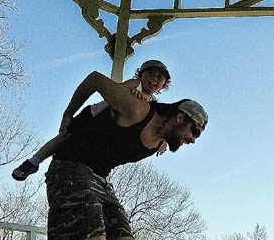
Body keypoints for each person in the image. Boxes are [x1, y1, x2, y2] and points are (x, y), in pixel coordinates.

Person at [12, 70, 207, 240]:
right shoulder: (137, 108)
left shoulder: (161, 139)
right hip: (70, 165)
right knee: (94, 237)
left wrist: (166, 141)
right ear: (179, 117)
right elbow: (93, 79)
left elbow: (162, 137)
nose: (193, 139)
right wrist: (68, 115)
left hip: (99, 178)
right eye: (193, 131)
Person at [11, 59, 172, 181]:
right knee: (64, 136)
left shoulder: (154, 104)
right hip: (95, 115)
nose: (154, 79)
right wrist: (131, 92)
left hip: (106, 130)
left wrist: (164, 141)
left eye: (159, 77)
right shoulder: (135, 84)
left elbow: (157, 124)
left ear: (163, 85)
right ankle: (33, 161)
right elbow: (118, 90)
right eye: (150, 73)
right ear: (141, 74)